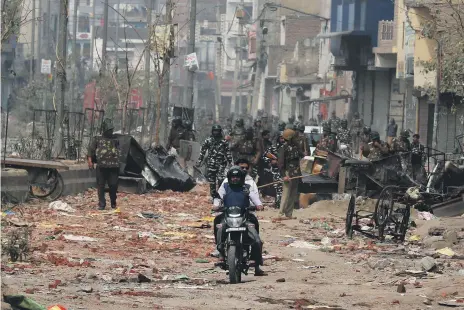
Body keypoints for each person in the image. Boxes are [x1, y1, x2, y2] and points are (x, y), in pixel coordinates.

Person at [213, 166, 266, 276]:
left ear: (241, 178)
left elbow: (254, 197)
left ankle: (255, 261)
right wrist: (216, 206)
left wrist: (259, 205)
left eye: (237, 177)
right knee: (218, 224)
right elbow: (218, 198)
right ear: (229, 178)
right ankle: (221, 253)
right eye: (233, 177)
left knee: (256, 239)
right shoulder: (225, 187)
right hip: (228, 216)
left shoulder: (246, 188)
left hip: (244, 216)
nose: (235, 179)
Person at [87, 119, 121, 210]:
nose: (110, 131)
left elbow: (119, 152)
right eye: (109, 130)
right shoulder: (97, 139)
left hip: (113, 167)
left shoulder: (116, 139)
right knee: (100, 186)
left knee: (113, 185)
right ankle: (102, 204)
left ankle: (113, 202)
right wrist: (90, 161)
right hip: (101, 167)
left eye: (111, 130)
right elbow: (91, 150)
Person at [197, 125, 233, 198]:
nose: (216, 132)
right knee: (212, 180)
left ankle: (220, 194)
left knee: (220, 179)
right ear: (212, 131)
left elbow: (227, 152)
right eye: (214, 131)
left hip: (221, 163)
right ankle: (213, 195)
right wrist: (199, 161)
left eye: (217, 131)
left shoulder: (224, 141)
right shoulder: (208, 140)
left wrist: (230, 162)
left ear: (220, 131)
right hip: (211, 163)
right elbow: (202, 151)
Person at [278, 129, 304, 218]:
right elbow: (280, 163)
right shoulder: (283, 148)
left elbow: (302, 155)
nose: (296, 138)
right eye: (294, 137)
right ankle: (281, 214)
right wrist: (283, 176)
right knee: (286, 194)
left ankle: (289, 214)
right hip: (287, 172)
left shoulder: (297, 146)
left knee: (293, 194)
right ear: (290, 138)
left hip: (296, 172)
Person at [263, 134, 285, 209]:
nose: (282, 140)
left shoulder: (286, 147)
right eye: (281, 138)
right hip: (275, 171)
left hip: (284, 170)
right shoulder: (273, 147)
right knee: (277, 188)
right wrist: (271, 161)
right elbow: (265, 156)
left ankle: (282, 205)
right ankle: (278, 204)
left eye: (284, 138)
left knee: (283, 188)